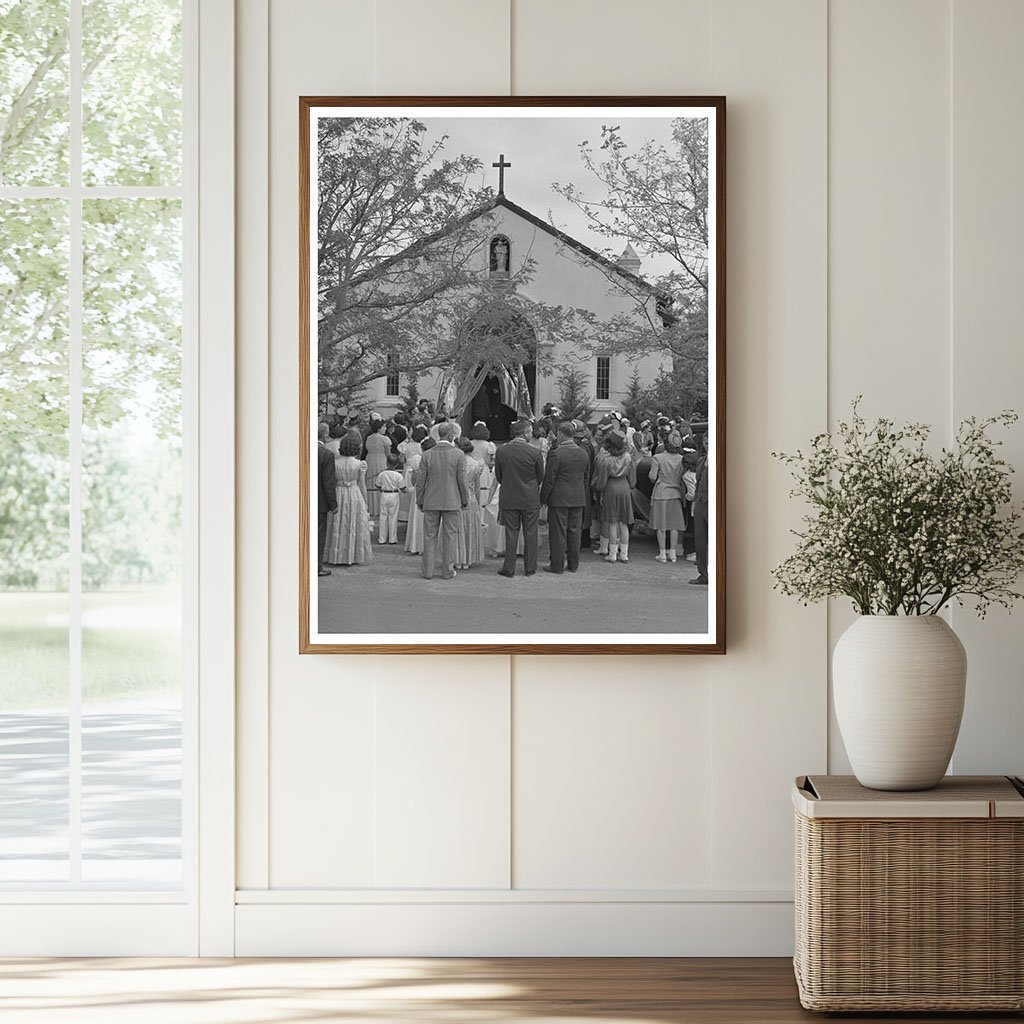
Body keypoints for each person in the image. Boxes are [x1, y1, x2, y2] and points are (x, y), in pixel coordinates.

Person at [415, 420, 469, 580]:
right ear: (451, 435)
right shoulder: (458, 454)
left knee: (429, 536)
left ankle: (427, 571)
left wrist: (420, 499)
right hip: (452, 500)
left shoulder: (427, 454)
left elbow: (420, 481)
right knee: (450, 536)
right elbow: (462, 480)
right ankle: (447, 570)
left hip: (431, 500)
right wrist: (465, 499)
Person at [493, 418, 544, 577]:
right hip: (529, 497)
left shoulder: (501, 450)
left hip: (510, 496)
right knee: (531, 533)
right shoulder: (535, 452)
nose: (531, 434)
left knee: (511, 533)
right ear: (524, 433)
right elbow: (540, 476)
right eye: (529, 431)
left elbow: (499, 475)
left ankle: (509, 568)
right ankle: (530, 568)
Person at [541, 420, 590, 574]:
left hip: (559, 498)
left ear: (561, 434)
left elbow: (549, 480)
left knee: (558, 533)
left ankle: (556, 565)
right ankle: (573, 564)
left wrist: (543, 498)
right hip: (578, 497)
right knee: (575, 532)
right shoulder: (583, 453)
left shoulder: (556, 453)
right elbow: (586, 477)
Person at [323, 432, 373, 566]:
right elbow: (362, 484)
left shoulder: (335, 462)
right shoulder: (360, 464)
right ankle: (352, 555)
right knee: (353, 523)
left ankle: (336, 555)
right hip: (354, 494)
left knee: (337, 523)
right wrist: (365, 502)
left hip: (338, 493)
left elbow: (331, 482)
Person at [591, 429, 636, 563]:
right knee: (624, 523)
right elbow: (633, 480)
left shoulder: (606, 460)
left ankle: (612, 554)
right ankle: (624, 554)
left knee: (612, 522)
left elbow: (601, 482)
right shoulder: (628, 457)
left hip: (611, 488)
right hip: (625, 487)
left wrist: (597, 490)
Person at [648, 430, 687, 563]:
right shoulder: (682, 459)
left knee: (661, 525)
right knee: (674, 525)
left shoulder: (658, 458)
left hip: (661, 492)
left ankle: (662, 553)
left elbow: (652, 477)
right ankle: (673, 553)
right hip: (675, 493)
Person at [454, 437, 484, 569]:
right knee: (469, 528)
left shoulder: (454, 462)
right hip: (471, 497)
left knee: (456, 528)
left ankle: (457, 558)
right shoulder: (476, 464)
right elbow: (477, 486)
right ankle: (467, 560)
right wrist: (478, 500)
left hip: (456, 497)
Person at [316, 423, 338, 576]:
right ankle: (315, 565)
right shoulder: (326, 454)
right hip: (320, 501)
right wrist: (333, 504)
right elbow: (328, 482)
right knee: (318, 535)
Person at [363, 418, 392, 519]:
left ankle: (371, 508)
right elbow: (388, 454)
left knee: (371, 483)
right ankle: (380, 509)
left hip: (370, 460)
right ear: (379, 428)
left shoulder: (369, 438)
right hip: (381, 460)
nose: (385, 428)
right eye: (384, 426)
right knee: (380, 483)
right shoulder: (385, 439)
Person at [691, 433, 709, 585]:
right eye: (706, 443)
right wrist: (695, 502)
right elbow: (697, 483)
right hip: (700, 503)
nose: (708, 446)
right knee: (700, 539)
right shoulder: (701, 461)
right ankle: (703, 574)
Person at [375, 452, 405, 545]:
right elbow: (402, 488)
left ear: (386, 463)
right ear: (397, 464)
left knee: (383, 516)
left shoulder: (382, 474)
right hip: (394, 495)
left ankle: (382, 538)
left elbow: (377, 485)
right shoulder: (398, 475)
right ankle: (392, 539)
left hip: (384, 494)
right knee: (393, 517)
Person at [403, 446, 425, 555]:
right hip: (423, 492)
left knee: (416, 518)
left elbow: (410, 484)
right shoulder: (418, 465)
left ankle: (415, 544)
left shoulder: (411, 468)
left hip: (418, 492)